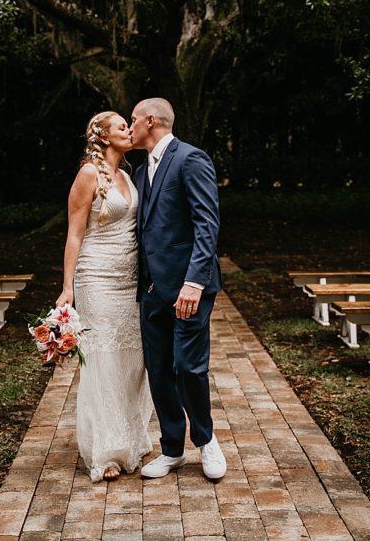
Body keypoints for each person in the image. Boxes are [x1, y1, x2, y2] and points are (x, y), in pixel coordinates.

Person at [129, 97, 226, 480]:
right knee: (158, 371)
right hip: (152, 289)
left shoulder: (190, 159)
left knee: (188, 367)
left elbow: (207, 224)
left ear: (151, 121)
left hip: (189, 288)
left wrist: (194, 282)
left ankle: (206, 440)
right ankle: (172, 449)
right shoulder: (140, 172)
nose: (130, 127)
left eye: (134, 120)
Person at [56, 111, 154, 482]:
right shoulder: (87, 175)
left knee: (132, 359)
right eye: (121, 127)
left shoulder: (129, 175)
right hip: (96, 277)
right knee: (103, 360)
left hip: (130, 280)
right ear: (103, 136)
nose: (129, 130)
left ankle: (130, 436)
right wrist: (68, 287)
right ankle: (106, 451)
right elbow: (74, 234)